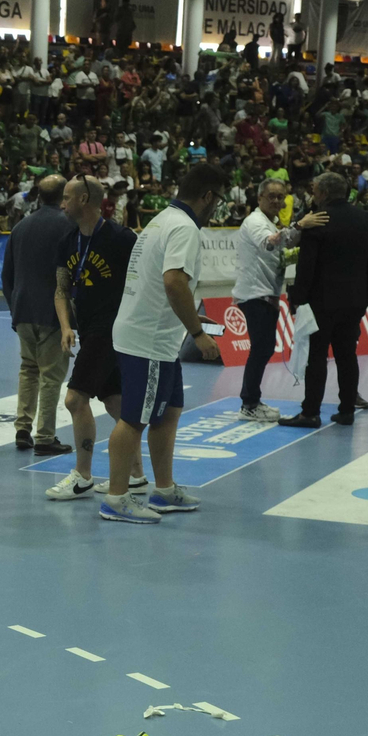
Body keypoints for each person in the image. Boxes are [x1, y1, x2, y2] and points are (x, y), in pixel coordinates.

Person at [100, 162, 225, 524]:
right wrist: (198, 335)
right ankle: (117, 498)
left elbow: (158, 282)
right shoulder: (185, 228)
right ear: (207, 196)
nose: (217, 206)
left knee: (168, 413)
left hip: (155, 334)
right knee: (134, 420)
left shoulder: (161, 219)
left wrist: (186, 319)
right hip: (148, 340)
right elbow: (173, 282)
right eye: (217, 199)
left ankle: (165, 490)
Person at [46, 175, 146, 501]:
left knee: (75, 399)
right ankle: (136, 475)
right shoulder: (66, 241)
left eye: (66, 198)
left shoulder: (121, 238)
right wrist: (65, 326)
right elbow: (61, 290)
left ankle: (83, 475)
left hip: (113, 329)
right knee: (115, 401)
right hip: (89, 329)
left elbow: (144, 283)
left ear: (85, 199)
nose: (61, 204)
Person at [279, 172, 368, 429]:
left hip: (321, 301)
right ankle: (347, 410)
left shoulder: (318, 220)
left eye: (315, 190)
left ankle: (310, 412)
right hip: (355, 300)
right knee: (347, 354)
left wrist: (298, 299)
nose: (313, 195)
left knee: (317, 356)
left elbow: (307, 266)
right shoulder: (366, 218)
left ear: (324, 194)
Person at [234, 181, 326, 422]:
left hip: (266, 294)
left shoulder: (269, 222)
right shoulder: (255, 222)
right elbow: (269, 243)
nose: (276, 201)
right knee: (261, 349)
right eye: (271, 196)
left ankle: (251, 401)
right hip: (255, 294)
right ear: (260, 197)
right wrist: (299, 225)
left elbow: (279, 256)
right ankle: (250, 404)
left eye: (280, 197)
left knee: (262, 349)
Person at [1, 175, 73, 456]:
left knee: (28, 369)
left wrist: (14, 308)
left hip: (23, 310)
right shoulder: (69, 226)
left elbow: (6, 275)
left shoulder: (20, 226)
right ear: (63, 195)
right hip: (54, 314)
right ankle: (45, 436)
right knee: (52, 375)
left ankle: (22, 428)